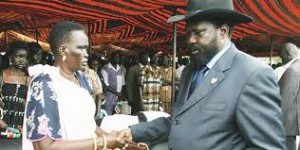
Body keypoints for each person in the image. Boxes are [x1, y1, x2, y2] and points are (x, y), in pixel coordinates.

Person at [120, 0, 286, 149]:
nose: (190, 40)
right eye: (188, 33)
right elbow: (178, 121)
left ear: (223, 31)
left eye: (198, 32)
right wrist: (134, 132)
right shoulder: (190, 71)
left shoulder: (253, 74)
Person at [22, 21, 138, 150]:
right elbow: (45, 147)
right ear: (63, 50)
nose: (87, 54)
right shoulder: (44, 83)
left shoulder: (83, 79)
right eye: (80, 48)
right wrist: (103, 141)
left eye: (86, 48)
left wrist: (115, 140)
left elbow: (88, 124)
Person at [0, 41, 30, 149]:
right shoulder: (1, 75)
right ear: (10, 57)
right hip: (2, 124)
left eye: (25, 57)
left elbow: (29, 105)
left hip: (19, 127)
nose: (22, 60)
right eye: (19, 56)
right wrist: (5, 126)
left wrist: (25, 127)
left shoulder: (28, 78)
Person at [279, 58, 300, 150]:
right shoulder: (295, 69)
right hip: (291, 119)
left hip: (289, 120)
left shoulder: (293, 70)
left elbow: (285, 98)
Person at [101, 51, 126, 115]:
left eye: (118, 57)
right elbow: (105, 85)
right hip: (109, 99)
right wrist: (117, 93)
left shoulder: (121, 69)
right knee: (108, 117)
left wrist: (121, 96)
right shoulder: (105, 68)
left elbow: (123, 84)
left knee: (119, 117)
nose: (117, 59)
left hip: (119, 99)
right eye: (115, 57)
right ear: (111, 58)